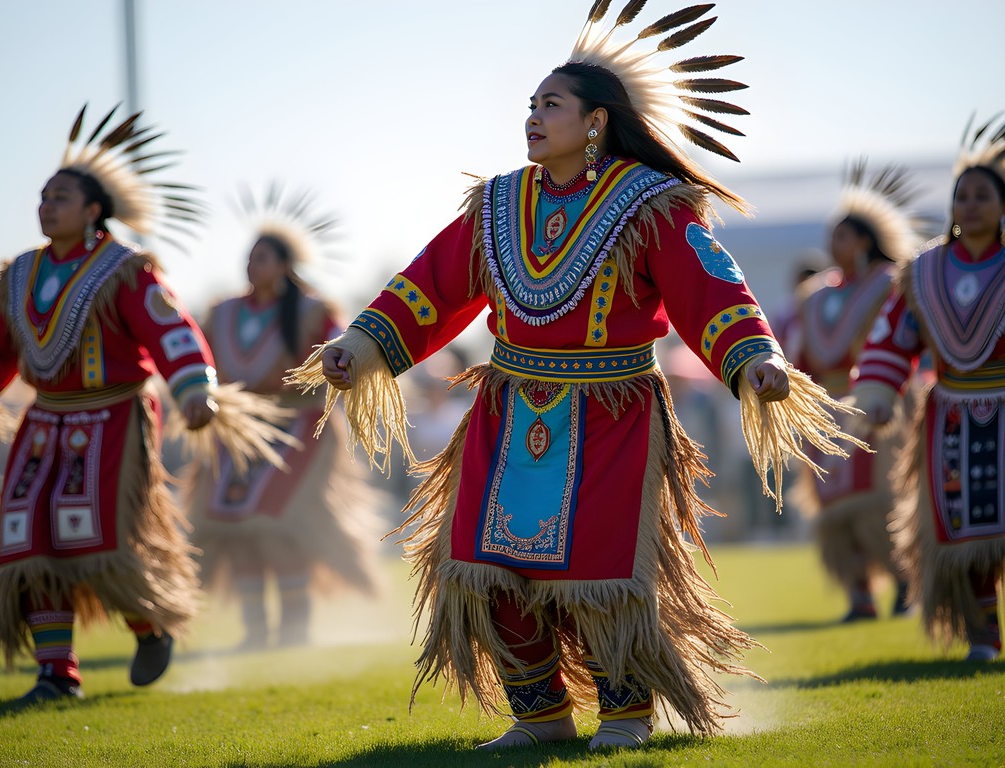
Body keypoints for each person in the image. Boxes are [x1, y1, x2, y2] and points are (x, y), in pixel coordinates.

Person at [289, 1, 857, 750]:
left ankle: (624, 713)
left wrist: (755, 358)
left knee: (600, 572)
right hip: (509, 407)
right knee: (483, 564)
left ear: (595, 122)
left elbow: (710, 288)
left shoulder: (650, 204)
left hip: (611, 413)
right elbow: (431, 285)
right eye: (530, 104)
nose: (532, 116)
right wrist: (362, 346)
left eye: (550, 104)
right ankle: (540, 714)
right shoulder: (497, 204)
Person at [0, 105, 286, 703]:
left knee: (98, 538)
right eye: (42, 196)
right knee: (26, 536)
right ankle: (55, 676)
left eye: (60, 196)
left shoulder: (123, 270)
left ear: (93, 209)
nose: (46, 205)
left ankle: (149, 626)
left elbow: (170, 329)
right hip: (44, 420)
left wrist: (194, 386)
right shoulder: (19, 275)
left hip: (114, 415)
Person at [185, 187, 379, 650]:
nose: (252, 265)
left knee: (279, 526)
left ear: (285, 265)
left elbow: (341, 342)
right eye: (249, 257)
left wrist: (344, 357)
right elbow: (197, 357)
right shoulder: (222, 313)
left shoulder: (313, 312)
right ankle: (256, 632)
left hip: (298, 430)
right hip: (236, 433)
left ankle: (294, 629)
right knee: (240, 532)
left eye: (263, 257)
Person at [854, 115, 1005, 662]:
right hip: (951, 418)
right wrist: (877, 392)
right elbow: (894, 336)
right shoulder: (924, 272)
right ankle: (984, 636)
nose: (970, 204)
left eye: (983, 195)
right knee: (963, 532)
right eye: (962, 195)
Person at [793, 162, 928, 621]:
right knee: (834, 509)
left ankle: (907, 582)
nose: (835, 244)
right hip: (826, 410)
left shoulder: (891, 283)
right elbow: (804, 356)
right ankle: (858, 593)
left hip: (876, 403)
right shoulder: (815, 295)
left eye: (844, 236)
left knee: (879, 498)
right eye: (832, 236)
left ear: (865, 241)